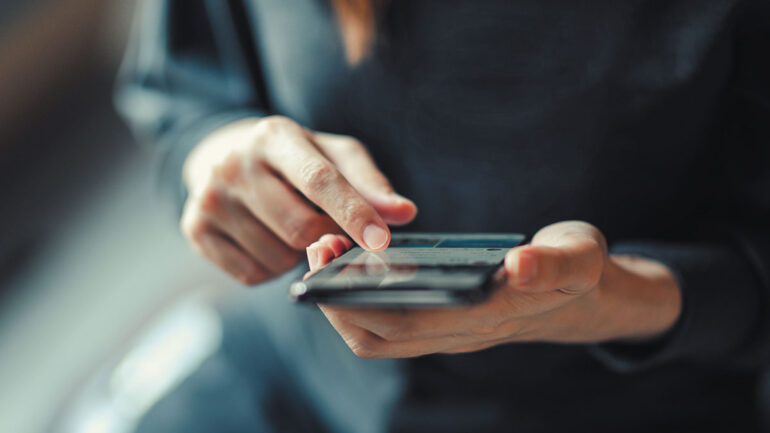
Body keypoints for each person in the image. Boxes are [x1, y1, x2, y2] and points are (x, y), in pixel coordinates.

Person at [115, 0, 770, 431]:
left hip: (620, 407)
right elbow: (182, 87)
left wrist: (622, 297)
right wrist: (211, 157)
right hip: (292, 370)